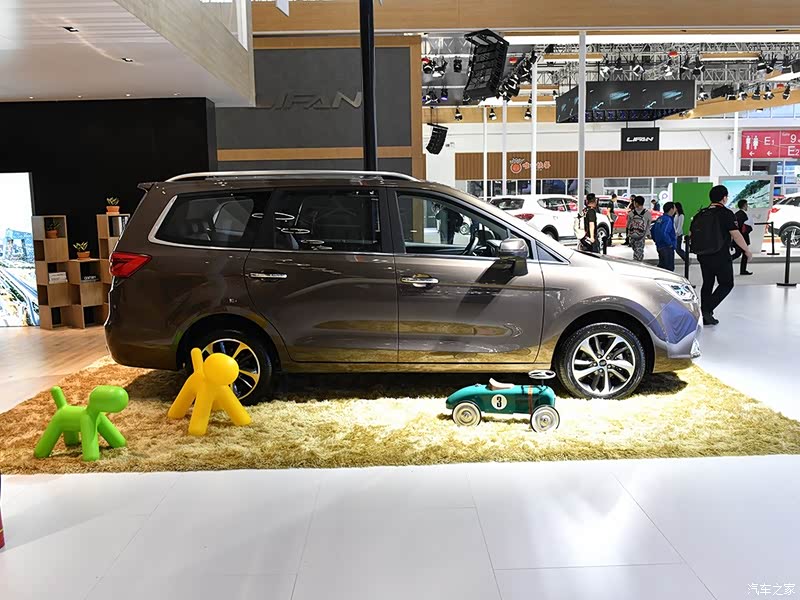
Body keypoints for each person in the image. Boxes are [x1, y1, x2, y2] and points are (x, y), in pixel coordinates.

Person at [693, 185, 753, 326]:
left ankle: (706, 314)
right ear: (724, 198)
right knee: (726, 284)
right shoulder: (725, 213)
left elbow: (691, 234)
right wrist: (746, 250)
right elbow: (736, 234)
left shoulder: (701, 213)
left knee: (707, 283)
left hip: (703, 254)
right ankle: (706, 310)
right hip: (720, 254)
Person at [652, 202, 677, 271]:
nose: (675, 209)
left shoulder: (659, 219)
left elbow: (653, 230)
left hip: (659, 246)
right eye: (675, 208)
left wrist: (656, 241)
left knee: (662, 267)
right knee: (669, 268)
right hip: (667, 247)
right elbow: (664, 232)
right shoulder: (668, 219)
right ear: (671, 209)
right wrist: (670, 243)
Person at [731, 199, 754, 275]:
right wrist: (750, 228)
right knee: (742, 254)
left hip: (738, 238)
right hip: (742, 238)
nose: (747, 206)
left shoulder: (737, 214)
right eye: (747, 205)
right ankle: (742, 270)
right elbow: (743, 228)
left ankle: (743, 270)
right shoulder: (743, 215)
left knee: (739, 254)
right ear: (744, 205)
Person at [627, 196, 650, 262]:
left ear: (636, 203)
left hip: (633, 235)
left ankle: (636, 262)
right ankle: (638, 262)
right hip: (641, 236)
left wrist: (629, 234)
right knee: (639, 251)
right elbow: (648, 225)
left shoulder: (631, 213)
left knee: (635, 250)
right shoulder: (647, 213)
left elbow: (628, 225)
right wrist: (647, 234)